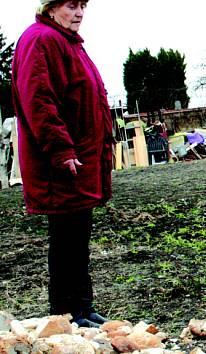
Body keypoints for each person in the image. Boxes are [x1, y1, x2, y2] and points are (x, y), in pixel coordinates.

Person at [11, 0, 112, 328]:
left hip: (81, 159)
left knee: (77, 234)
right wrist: (61, 150)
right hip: (64, 162)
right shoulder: (42, 40)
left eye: (83, 5)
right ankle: (65, 312)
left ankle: (82, 307)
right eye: (71, 5)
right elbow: (38, 99)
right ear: (51, 8)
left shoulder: (67, 43)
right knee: (66, 236)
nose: (80, 12)